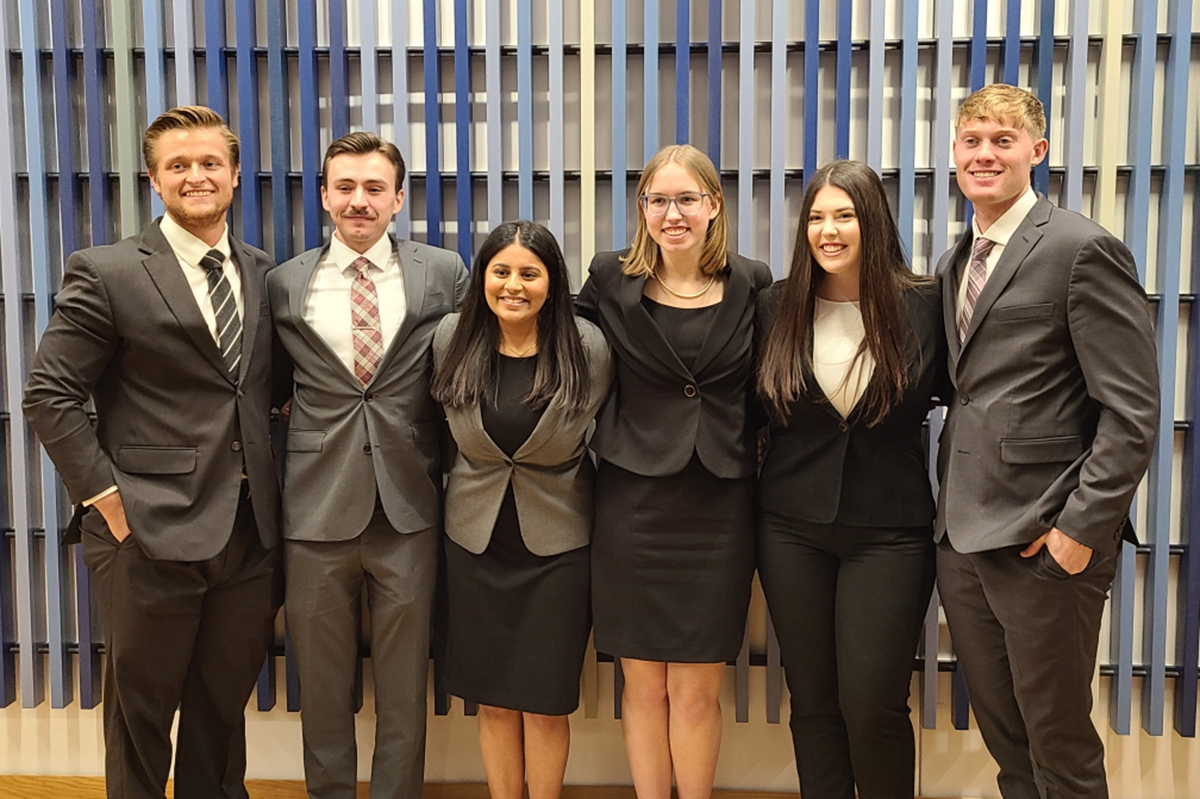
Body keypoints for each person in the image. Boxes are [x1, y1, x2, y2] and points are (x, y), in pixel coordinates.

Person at [22, 106, 281, 799]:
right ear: (154, 180)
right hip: (145, 531)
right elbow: (49, 393)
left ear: (233, 176)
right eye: (178, 166)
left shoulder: (263, 272)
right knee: (140, 718)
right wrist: (105, 498)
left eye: (209, 164)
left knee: (223, 712)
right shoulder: (107, 271)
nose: (195, 176)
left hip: (248, 535)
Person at [935, 84, 1159, 798]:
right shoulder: (956, 261)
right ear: (954, 154)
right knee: (1009, 744)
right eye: (972, 140)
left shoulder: (1081, 248)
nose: (984, 154)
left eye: (1003, 140)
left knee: (1059, 745)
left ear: (1038, 151)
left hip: (1045, 547)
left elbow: (1131, 411)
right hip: (964, 542)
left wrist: (1077, 533)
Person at [267, 132, 468, 799]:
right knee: (321, 688)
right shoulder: (283, 282)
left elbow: (467, 378)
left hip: (409, 506)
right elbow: (267, 390)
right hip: (313, 509)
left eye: (374, 188)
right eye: (345, 187)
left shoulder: (443, 272)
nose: (359, 200)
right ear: (325, 195)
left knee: (405, 687)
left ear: (398, 197)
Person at [575, 143, 773, 799]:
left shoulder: (753, 281)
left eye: (687, 198)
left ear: (714, 206)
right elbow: (554, 344)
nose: (672, 213)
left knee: (694, 690)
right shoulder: (609, 278)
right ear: (642, 209)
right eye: (658, 200)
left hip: (719, 508)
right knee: (644, 684)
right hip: (632, 504)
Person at [755, 160, 945, 799]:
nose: (828, 230)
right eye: (816, 217)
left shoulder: (925, 304)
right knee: (811, 702)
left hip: (889, 532)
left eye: (845, 215)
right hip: (790, 529)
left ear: (874, 222)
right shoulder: (775, 305)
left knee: (873, 704)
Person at [430, 220, 613, 799]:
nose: (514, 285)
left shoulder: (587, 347)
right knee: (493, 703)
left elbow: (600, 434)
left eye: (529, 273)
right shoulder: (451, 337)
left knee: (544, 705)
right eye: (501, 271)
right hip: (474, 543)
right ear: (482, 276)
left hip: (557, 549)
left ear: (552, 282)